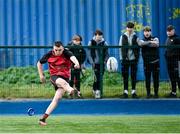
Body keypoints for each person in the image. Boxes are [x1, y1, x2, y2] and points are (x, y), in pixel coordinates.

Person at [37, 41, 80, 126]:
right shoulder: (49, 54)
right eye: (56, 50)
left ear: (63, 48)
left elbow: (73, 58)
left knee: (57, 98)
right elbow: (39, 63)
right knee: (62, 83)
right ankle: (72, 91)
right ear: (53, 49)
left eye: (59, 50)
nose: (57, 52)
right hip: (54, 76)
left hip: (66, 77)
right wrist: (41, 75)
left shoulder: (66, 52)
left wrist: (77, 63)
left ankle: (43, 119)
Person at [119, 21, 140, 98]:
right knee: (125, 76)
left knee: (133, 75)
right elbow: (120, 48)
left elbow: (139, 47)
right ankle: (125, 92)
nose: (130, 29)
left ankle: (133, 91)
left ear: (133, 28)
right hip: (125, 59)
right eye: (128, 28)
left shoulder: (136, 37)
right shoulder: (123, 36)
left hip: (133, 59)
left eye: (131, 28)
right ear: (126, 28)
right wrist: (122, 58)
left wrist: (137, 58)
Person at [139, 26, 160, 98]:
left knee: (156, 78)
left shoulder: (156, 38)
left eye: (148, 31)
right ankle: (148, 93)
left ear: (150, 32)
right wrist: (150, 42)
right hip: (146, 63)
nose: (147, 33)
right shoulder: (141, 40)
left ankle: (156, 93)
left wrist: (147, 43)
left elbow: (156, 44)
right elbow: (141, 44)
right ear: (143, 33)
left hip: (155, 62)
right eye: (145, 31)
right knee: (147, 79)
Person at [87, 29, 109, 99]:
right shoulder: (91, 42)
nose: (99, 37)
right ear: (95, 36)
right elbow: (89, 54)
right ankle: (97, 91)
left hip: (102, 63)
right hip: (94, 63)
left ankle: (96, 90)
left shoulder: (104, 43)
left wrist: (105, 61)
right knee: (96, 78)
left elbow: (106, 54)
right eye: (97, 35)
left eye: (100, 35)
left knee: (100, 77)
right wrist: (92, 62)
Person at [164, 25, 180, 98]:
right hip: (169, 61)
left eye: (170, 31)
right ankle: (173, 93)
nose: (169, 32)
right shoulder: (167, 39)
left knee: (177, 77)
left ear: (173, 30)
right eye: (167, 31)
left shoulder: (177, 39)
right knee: (172, 77)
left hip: (176, 61)